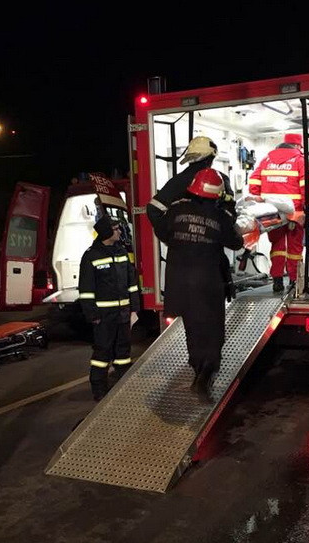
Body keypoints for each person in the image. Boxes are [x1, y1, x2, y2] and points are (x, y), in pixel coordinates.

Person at [152, 168, 243, 400]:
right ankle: (204, 377)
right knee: (213, 332)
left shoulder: (176, 209)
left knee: (192, 330)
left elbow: (161, 230)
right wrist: (230, 214)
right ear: (217, 194)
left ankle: (197, 370)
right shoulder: (220, 216)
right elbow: (236, 243)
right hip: (207, 284)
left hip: (178, 284)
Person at [78, 211, 141, 401]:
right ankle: (99, 389)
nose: (119, 232)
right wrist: (92, 314)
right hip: (104, 315)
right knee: (102, 352)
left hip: (123, 313)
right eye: (115, 229)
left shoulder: (121, 253)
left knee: (123, 352)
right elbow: (86, 290)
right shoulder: (91, 256)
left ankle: (124, 386)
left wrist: (134, 308)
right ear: (106, 232)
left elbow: (131, 283)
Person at [248, 132, 309, 293]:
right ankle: (294, 281)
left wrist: (264, 199)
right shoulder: (300, 160)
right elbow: (308, 191)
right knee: (294, 248)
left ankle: (277, 280)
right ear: (298, 146)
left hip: (272, 213)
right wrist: (303, 204)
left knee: (277, 246)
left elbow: (253, 185)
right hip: (295, 214)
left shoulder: (266, 160)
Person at [146, 135, 236, 238]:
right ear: (211, 158)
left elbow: (153, 209)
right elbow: (230, 216)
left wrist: (169, 237)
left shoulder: (177, 181)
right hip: (212, 245)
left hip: (180, 245)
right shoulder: (221, 180)